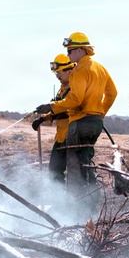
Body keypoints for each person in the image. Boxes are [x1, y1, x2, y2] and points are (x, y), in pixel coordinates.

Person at [35, 31, 117, 189]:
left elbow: (75, 100)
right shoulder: (100, 68)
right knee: (85, 163)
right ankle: (90, 201)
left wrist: (51, 107)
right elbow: (112, 93)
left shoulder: (80, 70)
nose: (69, 54)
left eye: (70, 51)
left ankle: (76, 206)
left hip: (79, 123)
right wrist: (100, 113)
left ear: (80, 50)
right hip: (95, 122)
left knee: (75, 169)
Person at [32, 53, 75, 184]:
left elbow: (72, 109)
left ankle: (75, 202)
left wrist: (51, 108)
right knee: (54, 171)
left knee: (75, 173)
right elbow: (59, 107)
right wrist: (43, 118)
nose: (57, 77)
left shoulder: (77, 87)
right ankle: (60, 202)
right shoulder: (62, 89)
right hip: (61, 137)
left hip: (73, 136)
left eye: (59, 73)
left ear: (69, 70)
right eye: (56, 74)